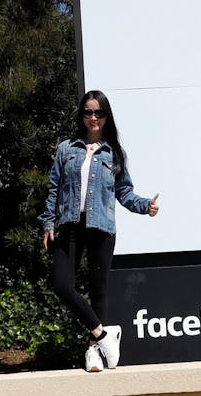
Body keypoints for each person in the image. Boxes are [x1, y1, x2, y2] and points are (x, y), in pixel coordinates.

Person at [39, 90, 159, 372]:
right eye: (88, 112)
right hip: (69, 225)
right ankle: (104, 335)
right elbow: (53, 189)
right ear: (81, 115)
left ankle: (94, 353)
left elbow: (124, 191)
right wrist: (47, 222)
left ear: (106, 117)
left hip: (102, 228)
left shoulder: (114, 152)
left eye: (99, 113)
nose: (93, 118)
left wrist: (144, 206)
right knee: (61, 285)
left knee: (98, 290)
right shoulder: (66, 149)